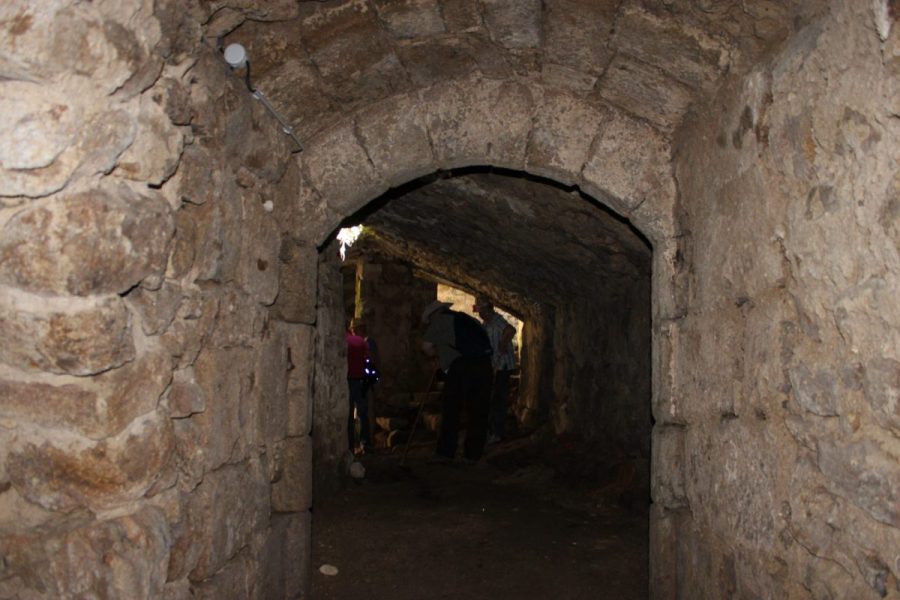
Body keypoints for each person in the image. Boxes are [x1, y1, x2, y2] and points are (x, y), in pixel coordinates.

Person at [420, 300, 493, 464]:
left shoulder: (439, 320)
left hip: (462, 367)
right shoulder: (466, 318)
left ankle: (446, 452)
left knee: (451, 410)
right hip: (484, 365)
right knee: (478, 412)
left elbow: (426, 347)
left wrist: (436, 355)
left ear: (434, 314)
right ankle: (473, 455)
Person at [473, 297, 517, 443]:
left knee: (499, 398)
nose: (479, 313)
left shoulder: (496, 320)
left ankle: (497, 433)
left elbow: (511, 330)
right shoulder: (486, 323)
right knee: (494, 398)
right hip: (494, 365)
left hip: (502, 365)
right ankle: (493, 430)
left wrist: (503, 343)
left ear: (487, 310)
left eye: (480, 310)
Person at [346, 319, 371, 454]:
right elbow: (368, 360)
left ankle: (350, 446)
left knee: (349, 414)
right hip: (359, 380)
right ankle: (365, 443)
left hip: (349, 380)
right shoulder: (362, 342)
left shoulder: (345, 340)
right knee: (362, 413)